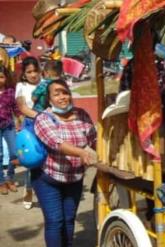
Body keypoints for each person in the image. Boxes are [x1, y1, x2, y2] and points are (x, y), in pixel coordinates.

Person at [33, 79, 96, 247]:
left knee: (69, 220)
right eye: (57, 93)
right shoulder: (43, 118)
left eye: (65, 92)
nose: (62, 97)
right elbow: (57, 143)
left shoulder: (82, 114)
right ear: (49, 99)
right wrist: (82, 152)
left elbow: (94, 138)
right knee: (55, 221)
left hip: (74, 178)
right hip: (48, 178)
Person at [15, 56, 41, 209]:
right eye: (29, 72)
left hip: (48, 125)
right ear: (24, 74)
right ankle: (29, 189)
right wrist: (40, 116)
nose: (33, 74)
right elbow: (23, 108)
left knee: (47, 160)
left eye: (35, 70)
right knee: (31, 160)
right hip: (31, 126)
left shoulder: (45, 83)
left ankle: (45, 192)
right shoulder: (21, 86)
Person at [0, 65, 20, 194]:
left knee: (14, 152)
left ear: (6, 78)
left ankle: (10, 177)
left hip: (9, 125)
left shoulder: (10, 91)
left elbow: (16, 108)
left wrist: (20, 120)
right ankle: (1, 182)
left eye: (1, 77)